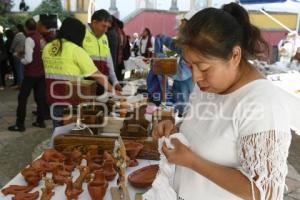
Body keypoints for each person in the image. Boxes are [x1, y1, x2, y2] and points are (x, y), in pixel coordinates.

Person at [152, 3, 293, 200]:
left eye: (203, 67)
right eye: (190, 66)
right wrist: (175, 129)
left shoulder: (262, 103)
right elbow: (208, 130)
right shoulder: (208, 86)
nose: (195, 77)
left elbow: (264, 192)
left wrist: (192, 161)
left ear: (235, 55)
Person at [42, 17, 119, 129]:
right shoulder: (76, 50)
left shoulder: (47, 47)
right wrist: (116, 92)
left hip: (53, 99)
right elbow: (98, 76)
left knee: (58, 133)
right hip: (71, 102)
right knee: (71, 137)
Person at [8, 18, 47, 132]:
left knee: (22, 98)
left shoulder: (29, 39)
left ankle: (20, 124)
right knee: (40, 98)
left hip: (31, 73)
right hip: (41, 73)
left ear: (26, 28)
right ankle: (41, 121)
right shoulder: (41, 37)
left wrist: (21, 59)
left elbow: (29, 59)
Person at [155, 18, 194, 116]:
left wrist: (161, 59)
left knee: (183, 115)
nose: (179, 32)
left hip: (186, 97)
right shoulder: (185, 43)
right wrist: (163, 37)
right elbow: (175, 44)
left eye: (181, 30)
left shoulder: (192, 49)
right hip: (179, 92)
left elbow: (181, 73)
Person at [83, 9, 122, 94]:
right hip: (86, 83)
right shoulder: (82, 33)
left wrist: (115, 82)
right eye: (103, 26)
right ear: (94, 22)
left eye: (107, 27)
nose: (105, 30)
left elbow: (109, 61)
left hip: (103, 83)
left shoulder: (104, 37)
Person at [107, 16, 130, 81]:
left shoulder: (112, 32)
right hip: (120, 62)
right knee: (118, 81)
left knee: (112, 83)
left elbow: (111, 50)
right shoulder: (122, 32)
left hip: (113, 62)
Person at [10, 24, 26, 88]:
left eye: (15, 28)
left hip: (17, 55)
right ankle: (23, 84)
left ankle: (20, 85)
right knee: (22, 70)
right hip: (24, 55)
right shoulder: (25, 35)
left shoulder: (17, 36)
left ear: (18, 29)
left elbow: (12, 46)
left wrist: (11, 51)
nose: (15, 30)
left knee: (18, 70)